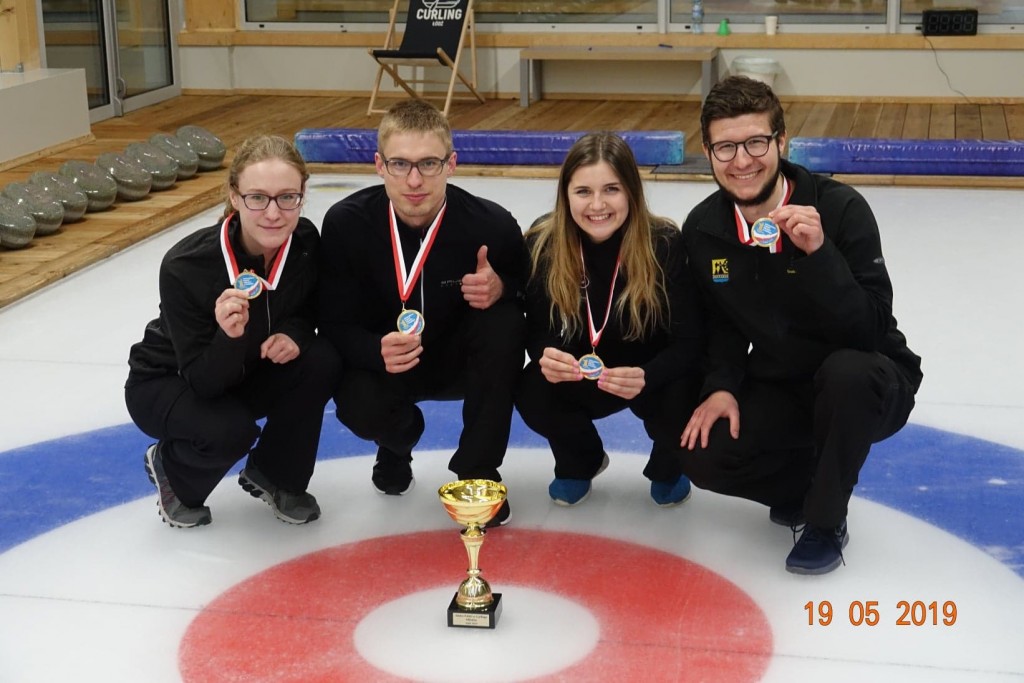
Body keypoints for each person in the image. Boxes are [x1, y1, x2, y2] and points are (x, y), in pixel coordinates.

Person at [678, 76, 923, 574]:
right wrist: (722, 386)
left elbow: (871, 329)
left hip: (872, 378)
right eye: (725, 147)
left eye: (755, 142)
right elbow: (721, 324)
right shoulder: (705, 229)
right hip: (786, 382)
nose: (742, 161)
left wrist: (819, 256)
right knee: (705, 456)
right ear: (707, 151)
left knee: (848, 373)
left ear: (781, 142)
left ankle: (825, 520)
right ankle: (809, 482)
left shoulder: (839, 208)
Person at [318, 99, 526, 526]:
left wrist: (503, 287)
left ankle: (478, 470)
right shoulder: (345, 224)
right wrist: (375, 351)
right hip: (384, 365)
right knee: (354, 395)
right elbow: (332, 322)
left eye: (429, 163)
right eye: (400, 164)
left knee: (504, 322)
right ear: (379, 165)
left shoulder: (493, 225)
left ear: (452, 164)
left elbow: (532, 297)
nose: (414, 180)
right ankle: (396, 443)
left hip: (456, 361)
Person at [125, 134, 340, 528]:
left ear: (302, 194)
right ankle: (172, 468)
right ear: (234, 195)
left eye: (286, 197)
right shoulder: (186, 265)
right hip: (170, 381)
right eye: (257, 197)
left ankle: (277, 475)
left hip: (248, 369)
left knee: (321, 358)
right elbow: (203, 382)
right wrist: (228, 337)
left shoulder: (305, 241)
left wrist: (295, 332)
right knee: (230, 430)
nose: (273, 213)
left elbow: (309, 306)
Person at [515, 132, 703, 508]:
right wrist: (545, 356)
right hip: (582, 374)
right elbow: (535, 329)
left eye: (611, 190)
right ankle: (579, 461)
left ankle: (669, 465)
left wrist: (648, 376)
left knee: (688, 385)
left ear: (632, 192)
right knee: (530, 388)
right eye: (583, 191)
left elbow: (691, 342)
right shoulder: (542, 241)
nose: (597, 205)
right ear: (565, 195)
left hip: (649, 374)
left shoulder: (663, 242)